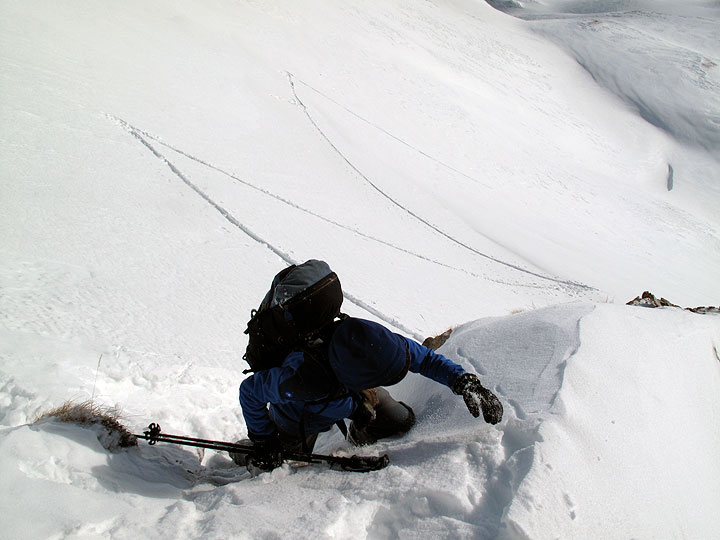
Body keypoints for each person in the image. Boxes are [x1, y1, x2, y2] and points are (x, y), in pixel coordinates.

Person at [234, 316, 503, 471]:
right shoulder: (302, 379)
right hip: (297, 416)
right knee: (273, 463)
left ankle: (358, 432)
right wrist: (263, 440)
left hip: (345, 392)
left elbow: (425, 359)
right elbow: (250, 392)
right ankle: (246, 449)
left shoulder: (378, 343)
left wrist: (463, 381)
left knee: (400, 419)